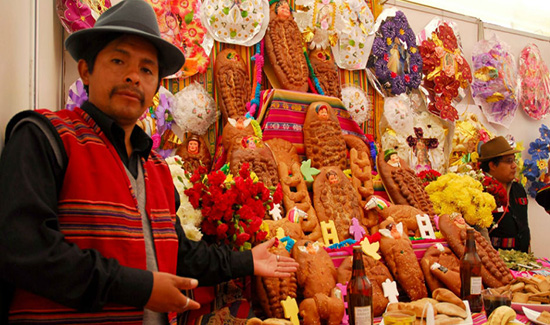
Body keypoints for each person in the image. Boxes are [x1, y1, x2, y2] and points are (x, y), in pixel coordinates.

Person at [0, 0, 298, 324]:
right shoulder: (46, 137)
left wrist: (247, 261)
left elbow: (179, 256)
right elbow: (25, 253)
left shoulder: (155, 169)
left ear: (156, 84)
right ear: (86, 70)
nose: (133, 77)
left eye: (146, 69)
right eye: (118, 60)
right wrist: (140, 288)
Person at [478, 136, 530, 252]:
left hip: (522, 260)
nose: (514, 166)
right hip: (494, 261)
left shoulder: (518, 189)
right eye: (509, 161)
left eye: (514, 160)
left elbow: (524, 225)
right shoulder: (480, 191)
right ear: (492, 165)